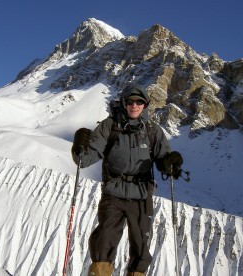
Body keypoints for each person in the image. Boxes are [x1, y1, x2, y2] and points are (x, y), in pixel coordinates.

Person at [71, 84, 184, 276]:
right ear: (124, 103)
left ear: (145, 105)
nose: (134, 105)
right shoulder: (110, 125)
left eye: (139, 102)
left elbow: (162, 157)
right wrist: (80, 147)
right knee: (105, 238)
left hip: (141, 194)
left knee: (141, 247)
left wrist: (170, 164)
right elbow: (87, 158)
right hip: (113, 192)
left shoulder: (152, 131)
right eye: (130, 101)